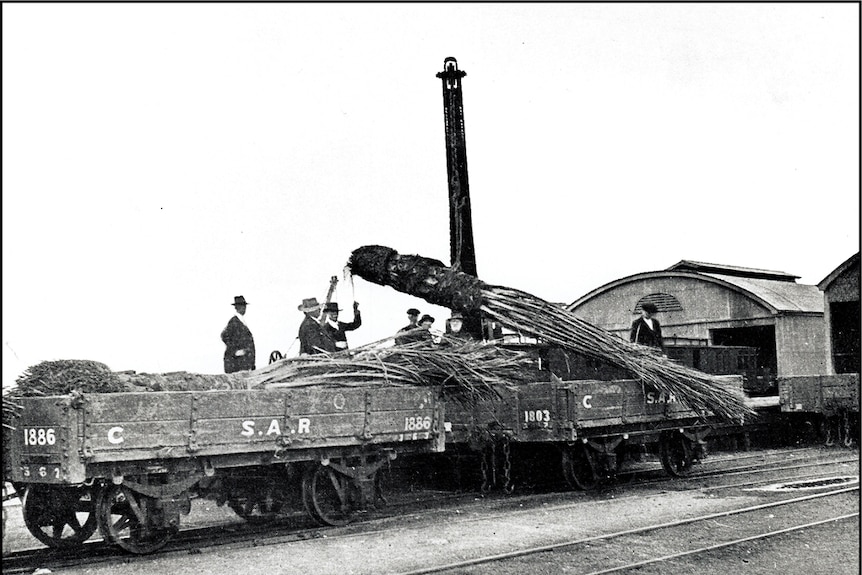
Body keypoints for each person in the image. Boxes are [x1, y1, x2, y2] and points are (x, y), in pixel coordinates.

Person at [221, 295, 256, 373]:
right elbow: (224, 336)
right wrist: (235, 351)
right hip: (236, 363)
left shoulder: (241, 321)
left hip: (244, 362)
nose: (244, 308)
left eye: (244, 306)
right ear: (236, 307)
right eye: (241, 306)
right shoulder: (234, 321)